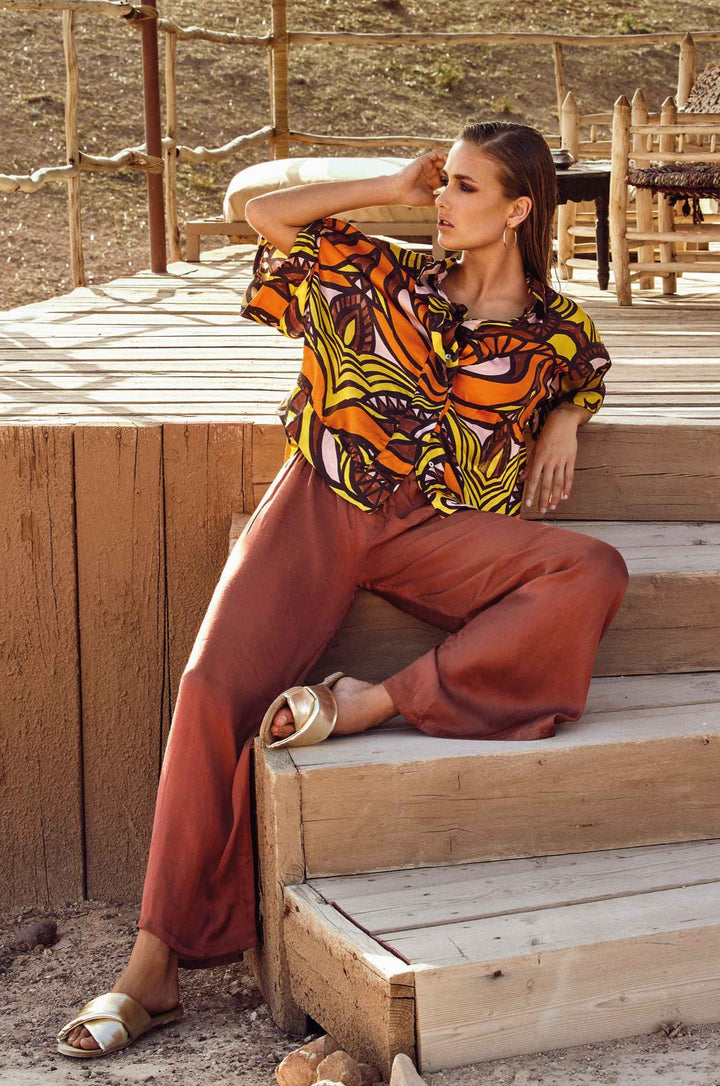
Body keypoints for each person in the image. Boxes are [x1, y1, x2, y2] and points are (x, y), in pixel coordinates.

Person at [57, 121, 629, 1057]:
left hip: (436, 530)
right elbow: (266, 215)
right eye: (442, 181)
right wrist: (390, 184)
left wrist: (565, 417)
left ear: (518, 209)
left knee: (591, 569)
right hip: (321, 500)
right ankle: (151, 967)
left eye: (465, 187)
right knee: (209, 688)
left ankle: (373, 704)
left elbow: (588, 372)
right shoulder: (384, 274)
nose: (442, 199)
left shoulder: (557, 330)